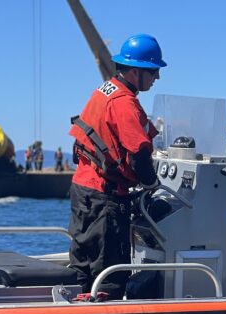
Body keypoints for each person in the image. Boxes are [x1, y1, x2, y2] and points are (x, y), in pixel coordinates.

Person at [67, 33, 166, 298]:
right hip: (104, 197)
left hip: (84, 189)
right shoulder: (124, 103)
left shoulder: (105, 90)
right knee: (110, 268)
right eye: (153, 71)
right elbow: (139, 154)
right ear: (135, 72)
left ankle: (79, 306)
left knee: (85, 259)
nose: (156, 78)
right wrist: (152, 184)